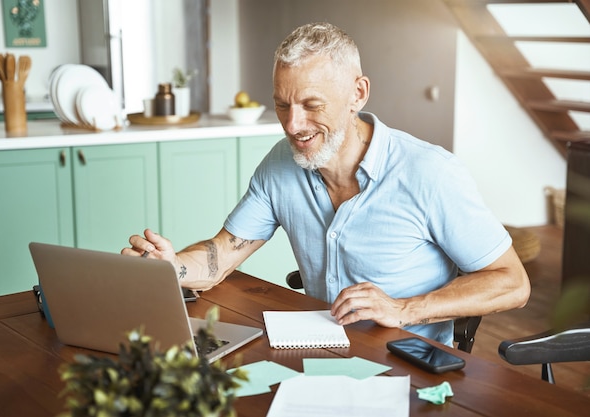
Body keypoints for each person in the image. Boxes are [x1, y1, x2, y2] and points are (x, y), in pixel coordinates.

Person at [123, 22, 531, 346]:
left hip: (407, 365)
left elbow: (512, 282)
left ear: (358, 93)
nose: (292, 124)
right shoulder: (280, 165)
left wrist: (404, 308)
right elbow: (220, 257)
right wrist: (171, 267)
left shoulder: (430, 173)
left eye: (311, 105)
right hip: (317, 351)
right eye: (282, 104)